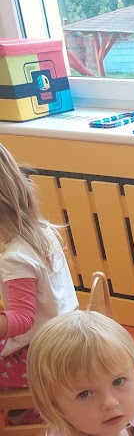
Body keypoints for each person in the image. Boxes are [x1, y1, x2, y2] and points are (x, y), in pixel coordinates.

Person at [0, 143, 77, 390]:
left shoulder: (15, 258)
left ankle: (29, 407)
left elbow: (22, 319)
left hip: (42, 358)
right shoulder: (42, 232)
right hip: (67, 337)